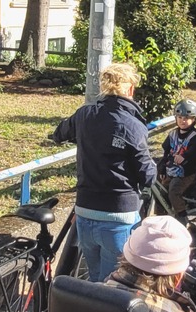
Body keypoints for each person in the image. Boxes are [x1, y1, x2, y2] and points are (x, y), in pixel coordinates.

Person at [52, 63, 156, 282]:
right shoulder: (133, 126)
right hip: (118, 215)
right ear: (130, 90)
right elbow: (147, 176)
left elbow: (59, 133)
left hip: (85, 211)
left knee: (94, 276)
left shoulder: (84, 115)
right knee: (111, 285)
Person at [157, 99, 196, 225]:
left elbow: (195, 152)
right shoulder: (172, 134)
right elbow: (166, 153)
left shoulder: (195, 136)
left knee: (174, 190)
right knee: (161, 191)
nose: (183, 120)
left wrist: (185, 157)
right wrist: (162, 167)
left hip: (187, 173)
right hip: (171, 169)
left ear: (194, 119)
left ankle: (182, 217)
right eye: (180, 117)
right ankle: (160, 217)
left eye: (187, 118)